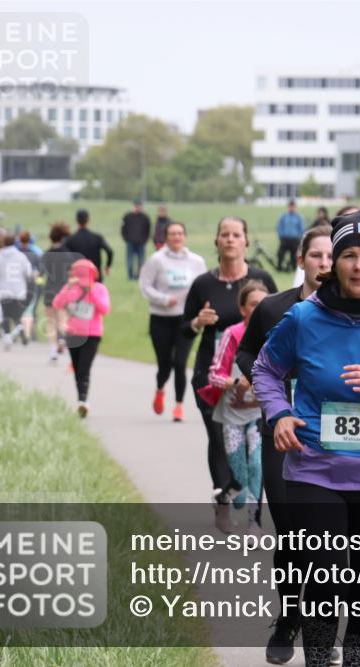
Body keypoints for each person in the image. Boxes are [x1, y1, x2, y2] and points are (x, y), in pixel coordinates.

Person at [253, 211, 360, 667]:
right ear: (333, 263)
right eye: (348, 255)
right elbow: (266, 371)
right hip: (316, 471)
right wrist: (281, 414)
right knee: (327, 577)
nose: (358, 266)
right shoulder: (304, 318)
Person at [235, 225, 337, 665]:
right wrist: (262, 382)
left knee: (333, 541)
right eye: (316, 255)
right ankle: (290, 615)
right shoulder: (275, 308)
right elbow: (246, 353)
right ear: (301, 260)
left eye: (332, 256)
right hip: (284, 436)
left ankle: (322, 628)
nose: (324, 264)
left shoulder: (355, 315)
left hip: (337, 440)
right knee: (295, 533)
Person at [182, 217, 277, 529]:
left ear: (246, 241)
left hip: (255, 379)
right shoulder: (203, 284)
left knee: (257, 450)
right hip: (214, 374)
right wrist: (198, 321)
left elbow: (280, 321)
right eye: (225, 234)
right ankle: (226, 496)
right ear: (216, 241)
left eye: (237, 235)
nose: (230, 240)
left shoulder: (262, 280)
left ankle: (254, 517)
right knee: (220, 442)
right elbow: (184, 329)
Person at [199, 280, 269, 534]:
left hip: (258, 415)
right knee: (239, 475)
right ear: (243, 309)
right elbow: (214, 375)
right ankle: (226, 495)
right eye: (253, 305)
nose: (259, 309)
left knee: (257, 465)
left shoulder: (274, 335)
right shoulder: (233, 334)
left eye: (264, 305)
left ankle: (254, 523)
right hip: (231, 414)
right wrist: (235, 382)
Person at [139, 222, 207, 422]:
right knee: (165, 364)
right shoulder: (156, 260)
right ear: (166, 238)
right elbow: (145, 286)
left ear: (184, 236)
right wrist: (163, 299)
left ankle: (178, 405)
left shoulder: (196, 261)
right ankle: (160, 388)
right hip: (161, 319)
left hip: (185, 319)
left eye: (179, 233)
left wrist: (202, 305)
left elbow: (203, 286)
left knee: (180, 362)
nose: (176, 237)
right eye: (172, 234)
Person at [53, 259, 111, 417]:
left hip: (92, 334)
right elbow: (57, 303)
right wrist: (69, 288)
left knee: (84, 368)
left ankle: (82, 401)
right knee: (78, 368)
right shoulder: (71, 288)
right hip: (73, 333)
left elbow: (105, 309)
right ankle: (81, 399)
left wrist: (91, 291)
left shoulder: (99, 289)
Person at [0, 234, 34, 349]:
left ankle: (7, 338)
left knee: (6, 314)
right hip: (19, 289)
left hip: (4, 289)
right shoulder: (21, 256)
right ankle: (20, 329)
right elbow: (28, 272)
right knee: (16, 315)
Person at [41, 223, 73, 364]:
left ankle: (53, 351)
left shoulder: (46, 254)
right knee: (63, 320)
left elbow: (41, 273)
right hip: (64, 289)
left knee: (50, 321)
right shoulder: (68, 255)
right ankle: (62, 339)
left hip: (49, 289)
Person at [62, 209, 114, 282]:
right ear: (89, 220)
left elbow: (63, 255)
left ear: (76, 221)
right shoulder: (97, 237)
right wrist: (107, 266)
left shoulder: (70, 239)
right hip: (95, 277)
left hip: (77, 278)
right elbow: (110, 251)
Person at [17, 231, 42, 343]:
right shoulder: (34, 254)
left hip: (17, 284)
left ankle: (20, 329)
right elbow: (41, 269)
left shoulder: (16, 253)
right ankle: (28, 332)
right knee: (30, 309)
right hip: (31, 284)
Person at [121, 200, 151, 279]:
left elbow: (148, 230)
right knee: (130, 260)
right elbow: (123, 229)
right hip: (130, 242)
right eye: (136, 206)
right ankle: (130, 276)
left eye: (139, 206)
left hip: (141, 242)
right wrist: (126, 238)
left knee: (141, 260)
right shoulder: (127, 216)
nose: (137, 208)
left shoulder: (145, 218)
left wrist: (145, 240)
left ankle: (140, 276)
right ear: (134, 206)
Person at [276, 200, 305, 272]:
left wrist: (299, 237)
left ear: (295, 207)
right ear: (288, 207)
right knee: (280, 253)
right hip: (285, 239)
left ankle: (293, 268)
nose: (291, 208)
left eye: (293, 206)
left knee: (294, 255)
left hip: (295, 239)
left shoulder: (299, 217)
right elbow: (279, 226)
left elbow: (302, 228)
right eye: (290, 206)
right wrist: (281, 235)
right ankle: (279, 267)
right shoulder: (284, 216)